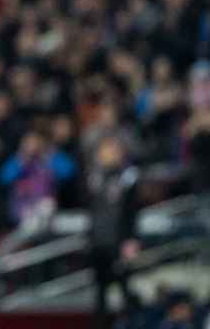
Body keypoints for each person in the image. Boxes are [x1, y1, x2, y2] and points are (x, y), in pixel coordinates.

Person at [87, 136, 140, 329]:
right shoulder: (93, 177)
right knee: (101, 291)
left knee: (124, 289)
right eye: (106, 151)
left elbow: (133, 211)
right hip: (99, 242)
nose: (109, 155)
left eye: (113, 150)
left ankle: (130, 324)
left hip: (120, 241)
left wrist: (132, 240)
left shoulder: (128, 177)